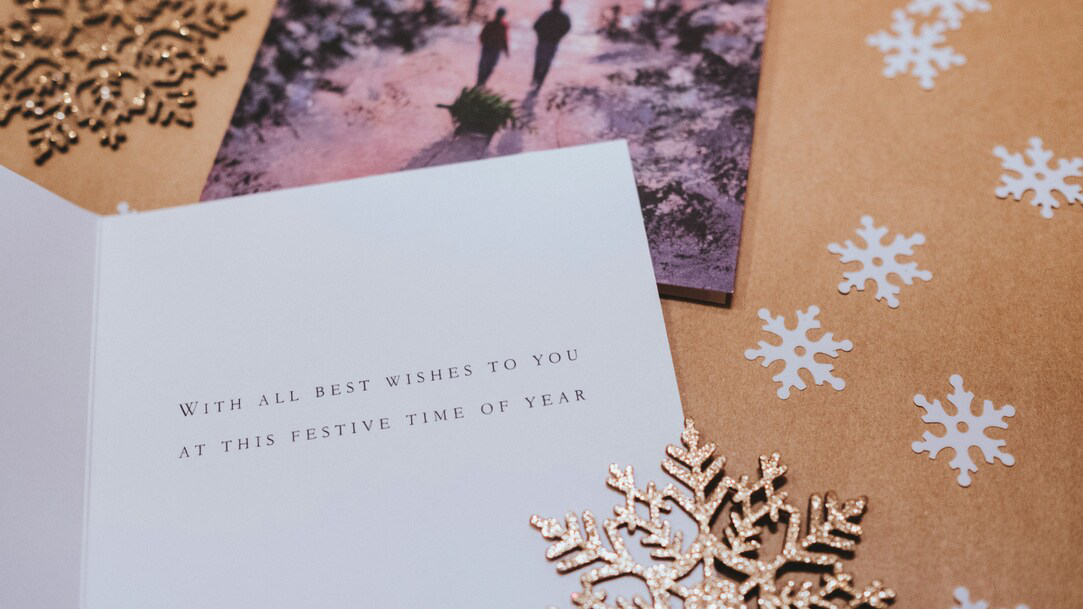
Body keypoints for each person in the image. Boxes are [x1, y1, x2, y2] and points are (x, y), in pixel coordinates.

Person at [531, 0, 571, 87]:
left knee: (539, 61)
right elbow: (567, 28)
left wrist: (540, 35)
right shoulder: (563, 16)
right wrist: (559, 36)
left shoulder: (546, 14)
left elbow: (535, 26)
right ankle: (539, 81)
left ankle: (535, 79)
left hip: (543, 41)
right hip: (552, 42)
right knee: (546, 62)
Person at [476, 8, 509, 87]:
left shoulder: (503, 26)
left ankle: (482, 82)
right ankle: (480, 82)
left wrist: (506, 49)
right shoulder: (491, 24)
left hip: (495, 48)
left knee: (490, 66)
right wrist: (485, 44)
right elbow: (482, 35)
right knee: (484, 65)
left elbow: (504, 39)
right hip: (489, 47)